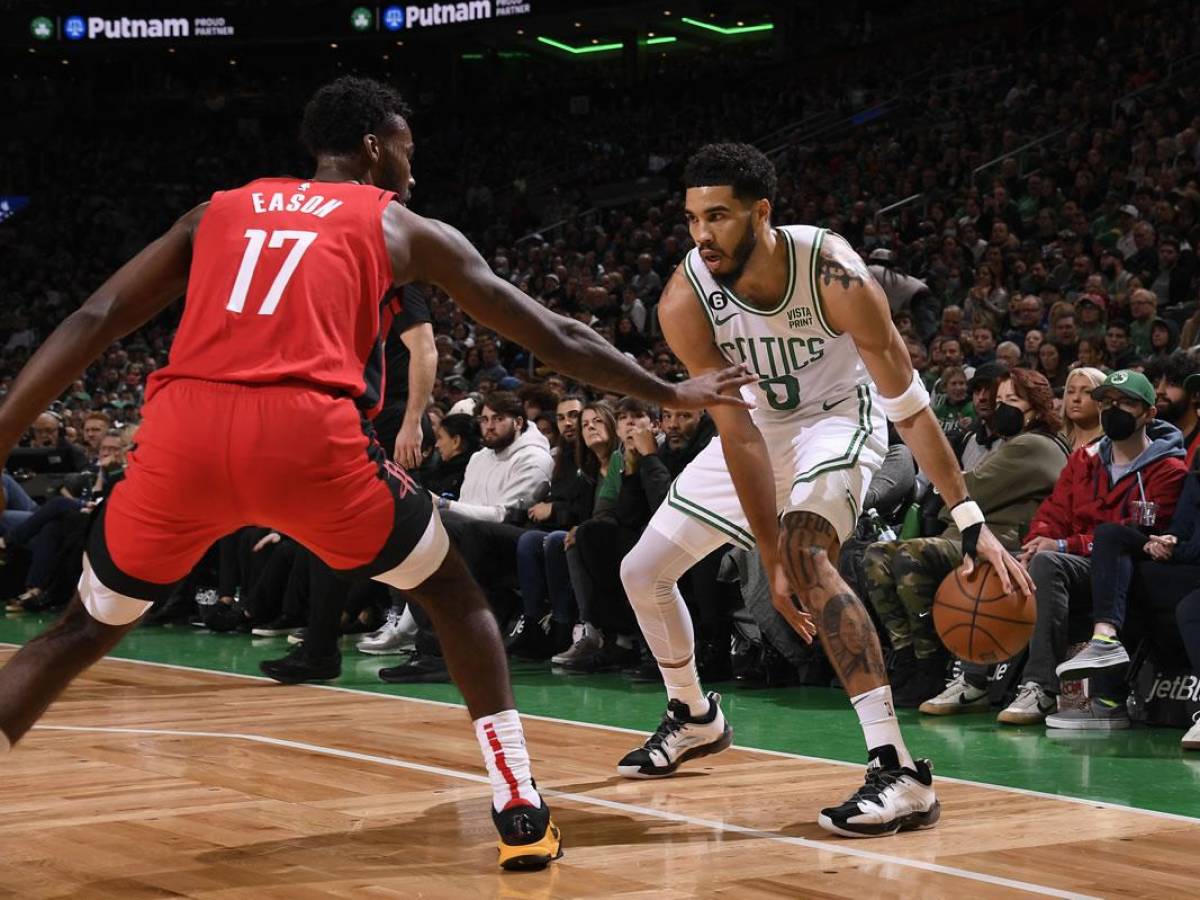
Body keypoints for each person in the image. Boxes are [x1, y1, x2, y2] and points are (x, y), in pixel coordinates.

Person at [0, 77, 752, 872]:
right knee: (455, 595)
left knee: (80, 631)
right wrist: (669, 389)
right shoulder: (399, 225)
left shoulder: (219, 209)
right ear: (372, 146)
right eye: (406, 149)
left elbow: (95, 318)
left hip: (184, 434)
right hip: (305, 437)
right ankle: (519, 802)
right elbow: (552, 331)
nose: (412, 168)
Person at [615, 143, 1032, 838]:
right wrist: (766, 555)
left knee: (810, 559)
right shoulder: (685, 300)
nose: (701, 235)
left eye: (717, 216)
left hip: (841, 417)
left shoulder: (836, 275)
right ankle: (693, 714)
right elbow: (740, 435)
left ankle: (899, 771)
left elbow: (911, 407)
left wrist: (969, 520)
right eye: (691, 218)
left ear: (762, 213)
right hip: (760, 430)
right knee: (642, 571)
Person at [863, 369, 1068, 709]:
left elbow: (965, 489)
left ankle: (929, 663)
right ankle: (907, 655)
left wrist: (952, 497)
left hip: (1001, 545)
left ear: (1036, 407)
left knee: (908, 555)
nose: (1001, 408)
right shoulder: (1010, 444)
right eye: (999, 401)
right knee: (876, 554)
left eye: (1012, 401)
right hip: (965, 537)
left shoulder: (1036, 445)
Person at [1006, 370, 1188, 726]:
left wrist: (1062, 544)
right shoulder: (1083, 460)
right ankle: (974, 680)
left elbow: (1130, 537)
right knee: (1005, 560)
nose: (1113, 410)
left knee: (1048, 564)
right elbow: (1053, 512)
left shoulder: (1169, 471)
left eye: (1126, 403)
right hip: (1076, 561)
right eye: (1107, 402)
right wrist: (1039, 539)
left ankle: (1040, 687)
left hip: (1123, 570)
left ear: (1150, 414)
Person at [1060, 367, 1105, 450]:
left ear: (1103, 400)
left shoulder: (1111, 446)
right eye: (1070, 391)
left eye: (1087, 392)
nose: (1076, 398)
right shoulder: (1057, 442)